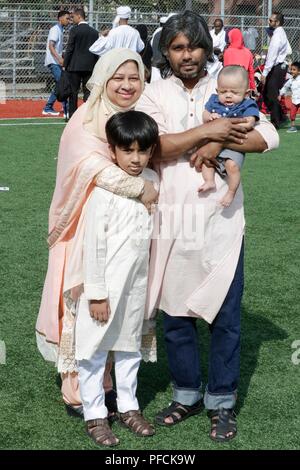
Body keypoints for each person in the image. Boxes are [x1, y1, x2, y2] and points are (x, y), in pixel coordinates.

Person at [136, 11, 279, 442]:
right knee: (176, 316)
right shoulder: (153, 92)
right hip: (171, 219)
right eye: (178, 48)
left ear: (206, 49)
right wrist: (214, 128)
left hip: (221, 220)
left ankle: (221, 401)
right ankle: (185, 394)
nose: (187, 55)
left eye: (194, 46)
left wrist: (215, 137)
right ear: (166, 52)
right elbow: (154, 146)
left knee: (226, 317)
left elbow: (266, 136)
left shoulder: (228, 84)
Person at [36, 49, 158, 416]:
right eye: (117, 78)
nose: (126, 85)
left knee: (118, 303)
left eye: (133, 78)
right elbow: (92, 168)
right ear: (103, 79)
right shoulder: (85, 120)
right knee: (84, 305)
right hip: (80, 229)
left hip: (122, 232)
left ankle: (106, 385)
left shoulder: (135, 118)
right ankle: (77, 389)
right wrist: (141, 187)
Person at [76, 110, 159, 447]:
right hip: (105, 290)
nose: (136, 159)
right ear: (113, 151)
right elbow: (93, 245)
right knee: (94, 351)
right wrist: (96, 293)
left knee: (129, 348)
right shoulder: (104, 191)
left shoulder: (151, 182)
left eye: (142, 150)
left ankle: (128, 406)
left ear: (151, 151)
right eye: (128, 151)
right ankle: (94, 414)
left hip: (135, 286)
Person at [202, 65, 260, 207]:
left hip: (234, 145)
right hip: (212, 141)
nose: (228, 95)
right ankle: (209, 181)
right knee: (206, 161)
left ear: (246, 93)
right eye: (223, 91)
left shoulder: (247, 104)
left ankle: (231, 192)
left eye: (234, 92)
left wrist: (229, 128)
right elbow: (204, 114)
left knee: (232, 166)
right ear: (217, 90)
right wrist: (210, 116)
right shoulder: (214, 100)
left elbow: (250, 122)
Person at [63, 8, 99, 118]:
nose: (72, 19)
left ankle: (73, 115)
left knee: (73, 92)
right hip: (89, 66)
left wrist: (65, 64)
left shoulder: (74, 30)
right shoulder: (94, 32)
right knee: (88, 91)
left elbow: (70, 48)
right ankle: (88, 114)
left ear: (79, 16)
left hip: (75, 66)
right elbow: (96, 49)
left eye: (73, 17)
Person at [261, 12, 290, 128]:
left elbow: (272, 56)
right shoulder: (281, 32)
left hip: (276, 68)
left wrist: (264, 72)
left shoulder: (277, 36)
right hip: (280, 67)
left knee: (271, 95)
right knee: (268, 93)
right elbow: (288, 49)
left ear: (277, 22)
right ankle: (281, 116)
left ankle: (275, 121)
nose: (269, 22)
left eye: (271, 20)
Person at [42, 10, 70, 117]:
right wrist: (59, 59)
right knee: (62, 84)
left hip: (56, 61)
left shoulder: (60, 30)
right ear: (60, 18)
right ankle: (66, 109)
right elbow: (51, 46)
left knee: (59, 85)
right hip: (53, 62)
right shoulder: (55, 29)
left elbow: (56, 48)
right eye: (67, 18)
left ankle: (48, 107)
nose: (68, 21)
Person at [279, 61, 300, 133]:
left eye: (294, 70)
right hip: (295, 100)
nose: (292, 71)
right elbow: (285, 87)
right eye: (291, 69)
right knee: (292, 113)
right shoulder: (290, 80)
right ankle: (293, 127)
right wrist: (280, 94)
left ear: (299, 71)